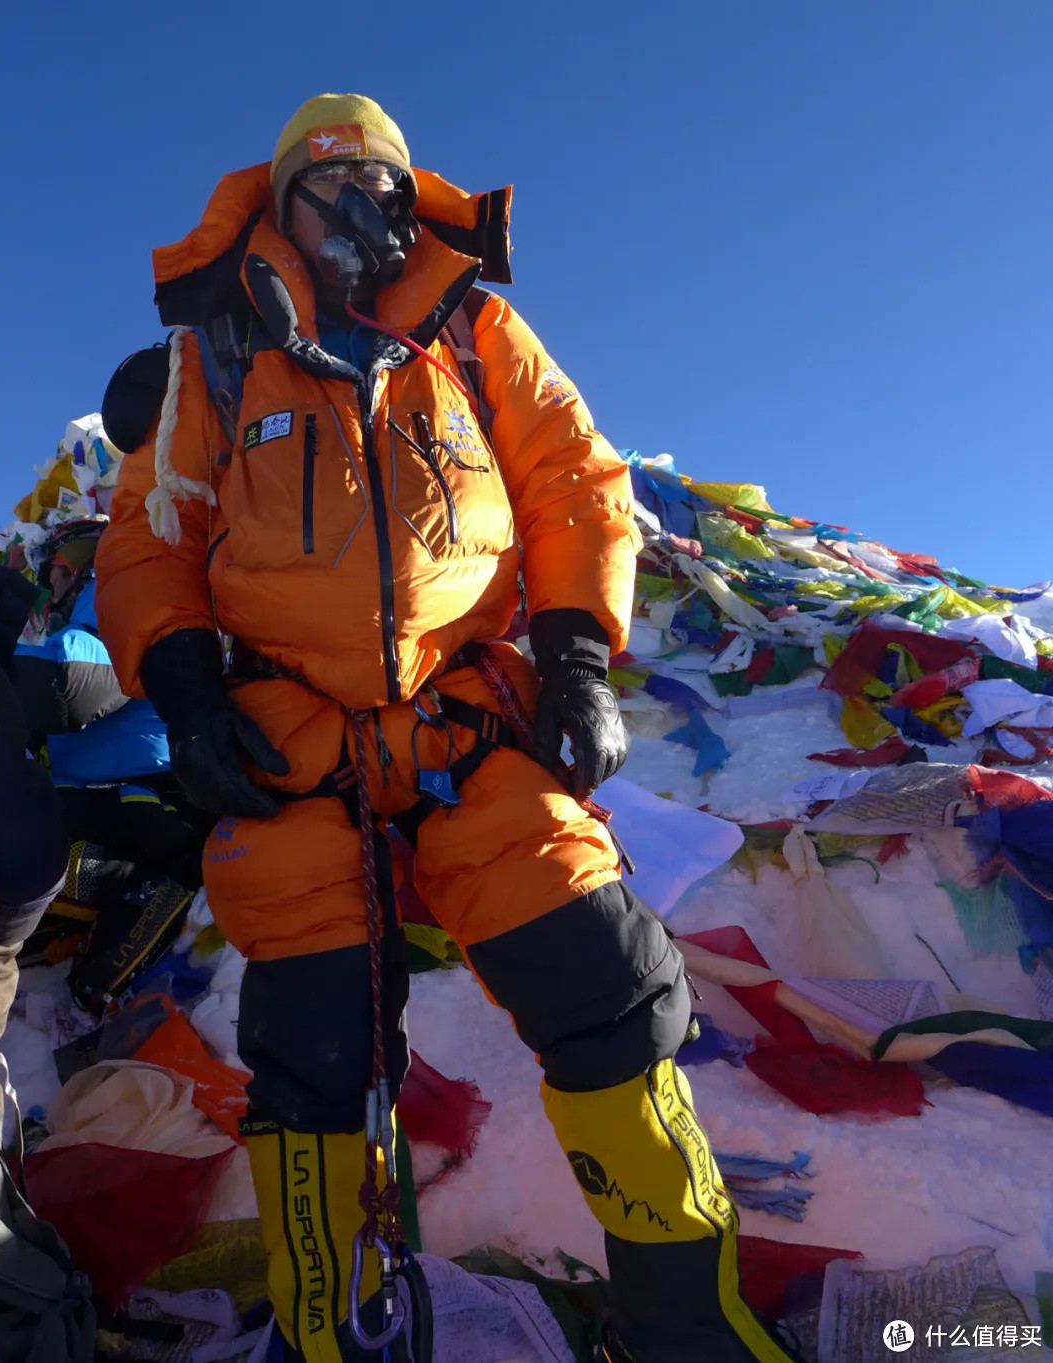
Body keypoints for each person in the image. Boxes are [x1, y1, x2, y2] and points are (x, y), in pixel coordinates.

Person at [95, 94, 792, 1363]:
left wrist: (579, 660)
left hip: (465, 715)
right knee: (313, 1054)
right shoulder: (216, 352)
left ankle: (692, 1328)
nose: (370, 206)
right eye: (339, 182)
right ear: (286, 198)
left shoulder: (472, 325)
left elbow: (576, 483)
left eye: (389, 182)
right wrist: (188, 696)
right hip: (285, 741)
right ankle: (334, 1337)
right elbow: (151, 546)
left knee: (610, 983)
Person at [13, 518, 207, 1011]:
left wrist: (0, 652)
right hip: (106, 807)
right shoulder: (80, 614)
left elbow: (68, 682)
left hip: (142, 799)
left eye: (54, 568)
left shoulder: (111, 592)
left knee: (161, 860)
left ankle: (100, 948)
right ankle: (75, 925)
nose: (48, 583)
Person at [0, 556, 68, 1113]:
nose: (61, 577)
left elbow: (79, 680)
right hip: (21, 849)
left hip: (129, 805)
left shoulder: (90, 626)